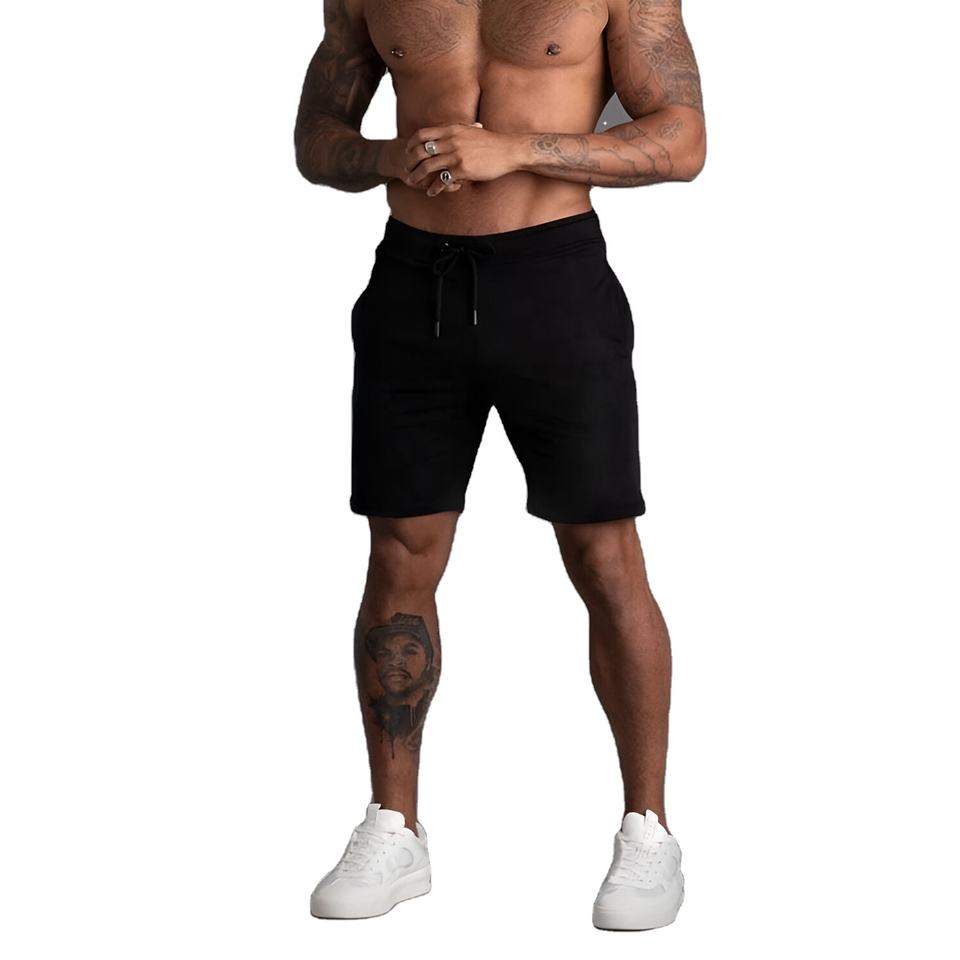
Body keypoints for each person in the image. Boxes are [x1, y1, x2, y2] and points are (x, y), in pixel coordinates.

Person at [294, 0, 706, 931]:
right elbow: (317, 140)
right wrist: (385, 157)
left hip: (555, 285)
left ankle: (648, 829)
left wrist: (516, 150)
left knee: (603, 554)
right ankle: (394, 826)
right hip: (412, 287)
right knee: (400, 553)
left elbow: (683, 139)